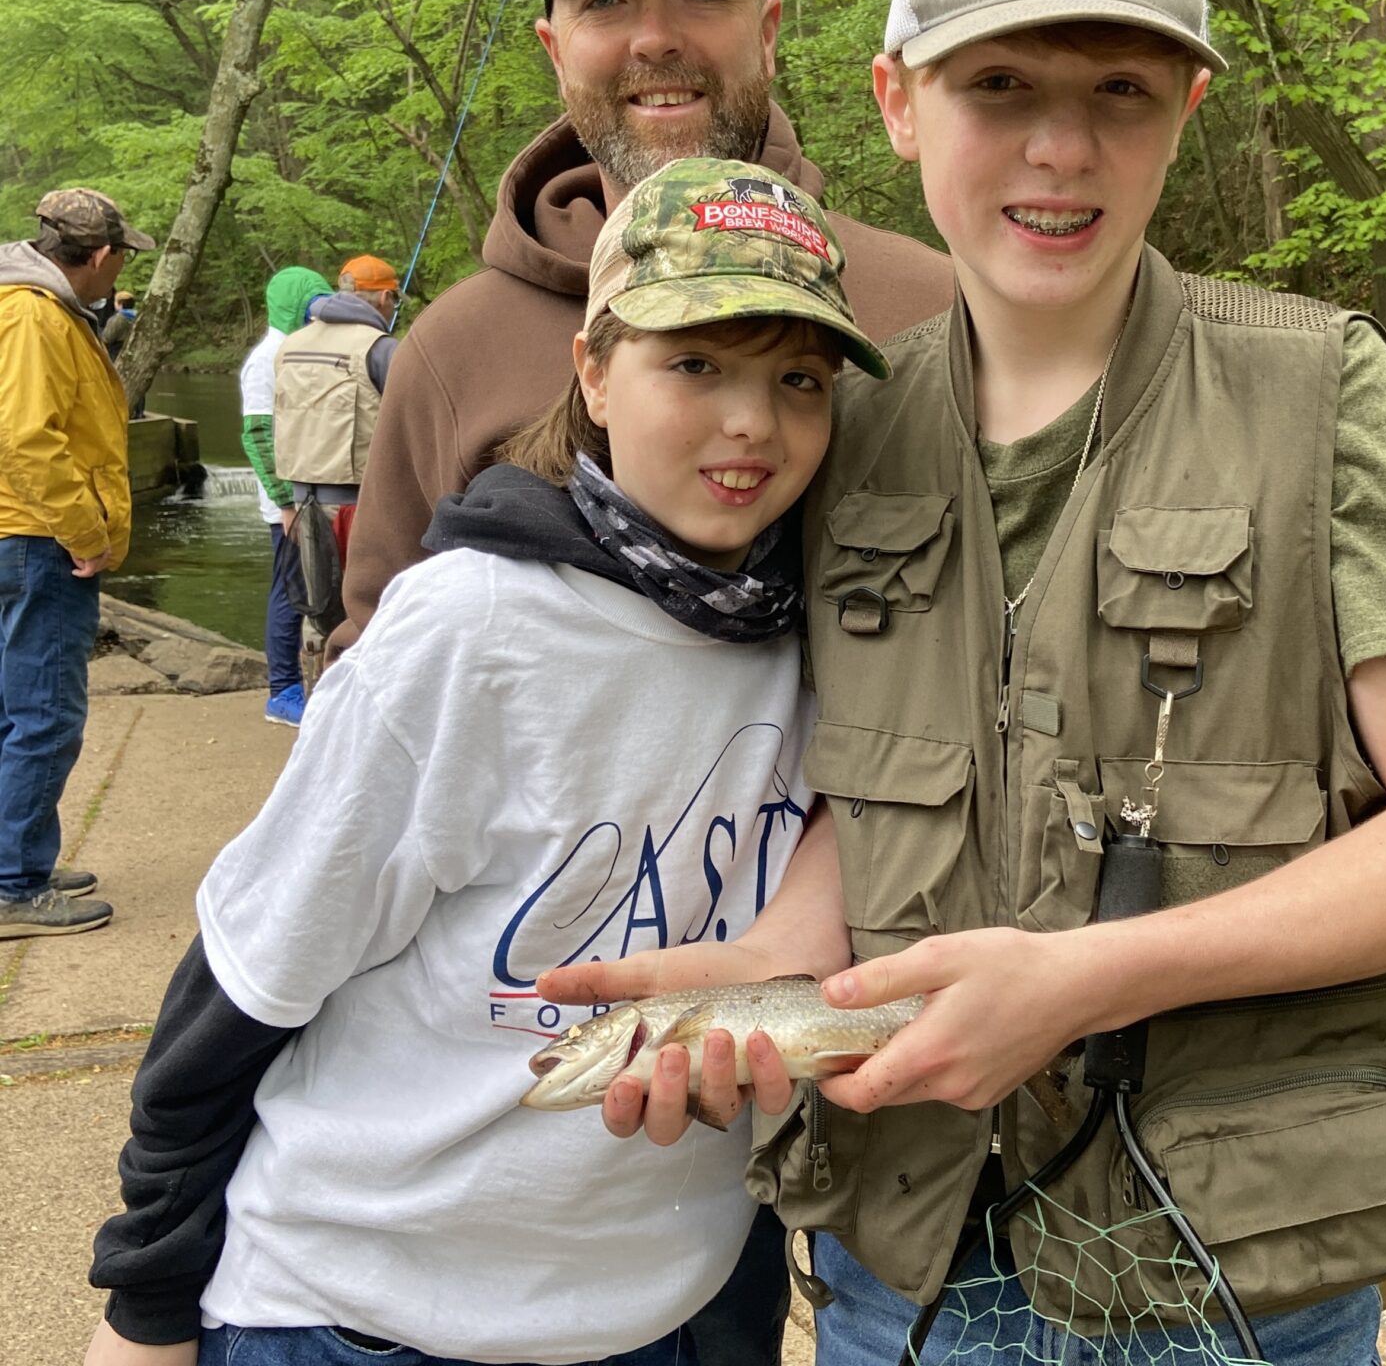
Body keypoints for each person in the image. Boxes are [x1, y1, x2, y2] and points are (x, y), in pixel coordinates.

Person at [545, 0, 1386, 1364]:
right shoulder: (843, 432)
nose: (1059, 152)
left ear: (1187, 113)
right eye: (1000, 88)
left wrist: (1087, 980)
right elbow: (852, 794)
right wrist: (770, 972)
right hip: (910, 1275)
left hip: (1233, 1287)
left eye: (1121, 94)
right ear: (897, 104)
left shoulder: (1321, 386)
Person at [83, 159, 878, 1366]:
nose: (752, 424)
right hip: (366, 1316)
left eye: (799, 379)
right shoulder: (466, 630)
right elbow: (245, 975)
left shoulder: (822, 631)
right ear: (595, 370)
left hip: (673, 1308)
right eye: (695, 364)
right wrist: (145, 1304)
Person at [331, 0, 953, 660]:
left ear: (767, 33)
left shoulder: (937, 308)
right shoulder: (451, 351)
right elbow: (376, 668)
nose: (655, 38)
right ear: (554, 52)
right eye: (605, 1)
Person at [0, 188, 153, 940]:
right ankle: (14, 886)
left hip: (21, 533)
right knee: (44, 715)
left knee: (15, 711)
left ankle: (14, 858)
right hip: (38, 538)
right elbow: (27, 437)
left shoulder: (38, 307)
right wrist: (85, 531)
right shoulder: (33, 314)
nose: (122, 269)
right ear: (99, 257)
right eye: (123, 256)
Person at [272, 255, 401, 648]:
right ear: (382, 297)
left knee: (321, 618)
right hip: (358, 509)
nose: (395, 306)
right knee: (371, 616)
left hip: (302, 507)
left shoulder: (289, 346)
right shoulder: (381, 350)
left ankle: (320, 703)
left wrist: (286, 502)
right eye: (396, 298)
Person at [239, 268, 333, 728]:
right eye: (312, 304)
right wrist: (285, 504)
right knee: (290, 594)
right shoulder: (267, 358)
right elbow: (256, 435)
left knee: (309, 591)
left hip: (305, 496)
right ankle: (282, 691)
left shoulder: (295, 350)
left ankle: (301, 683)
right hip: (287, 506)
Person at [100, 289, 138, 359]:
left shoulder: (118, 318)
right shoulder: (138, 317)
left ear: (120, 303)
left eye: (115, 301)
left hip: (115, 353)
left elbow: (107, 338)